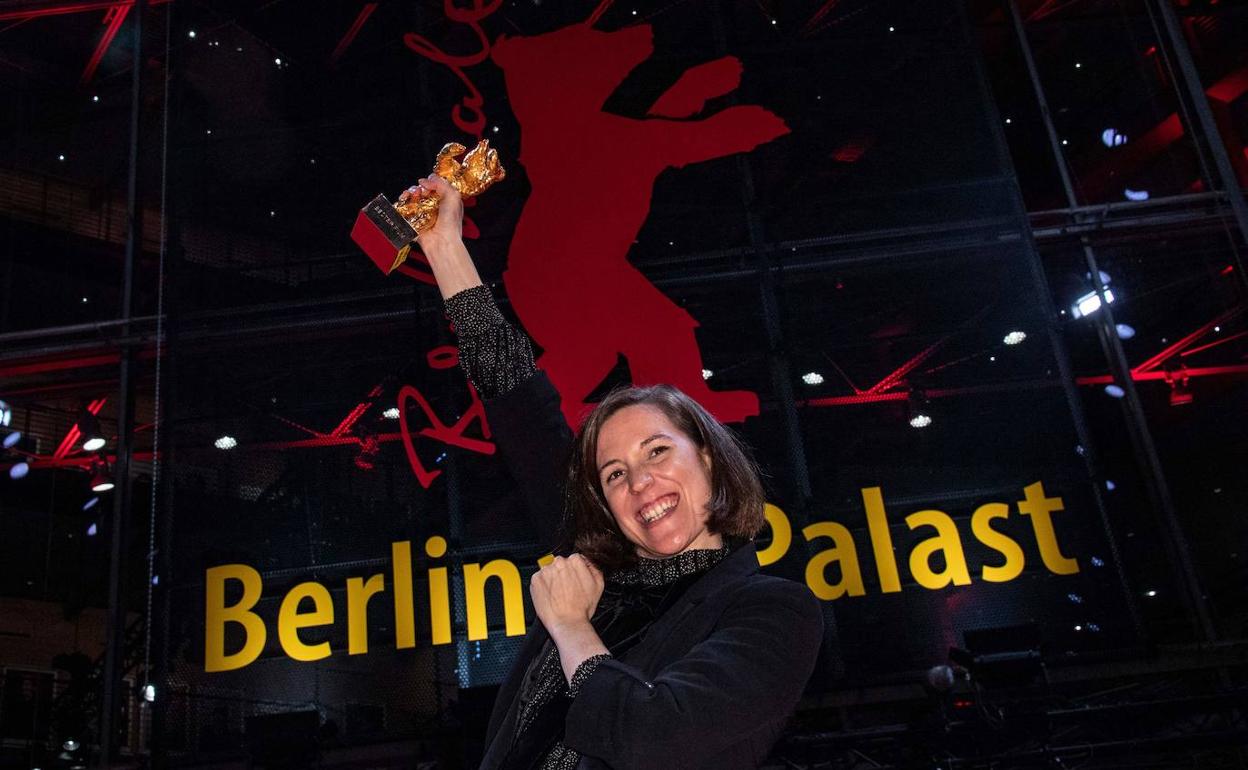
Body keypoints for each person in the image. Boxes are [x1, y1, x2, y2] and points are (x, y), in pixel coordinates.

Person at [403, 175, 823, 770]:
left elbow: (655, 737)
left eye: (657, 452)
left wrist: (572, 627)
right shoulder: (599, 570)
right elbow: (518, 399)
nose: (640, 482)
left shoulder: (773, 610)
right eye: (614, 474)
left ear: (707, 455)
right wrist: (444, 243)